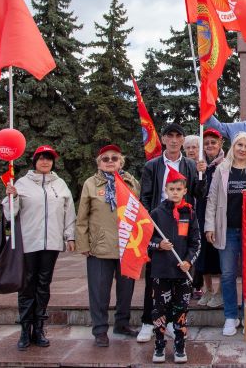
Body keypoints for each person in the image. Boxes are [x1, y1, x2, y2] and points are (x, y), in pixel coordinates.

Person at [4, 145, 76, 350]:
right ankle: (24, 330)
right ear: (35, 161)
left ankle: (39, 328)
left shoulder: (60, 184)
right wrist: (12, 197)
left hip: (51, 243)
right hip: (29, 242)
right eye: (41, 158)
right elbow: (10, 214)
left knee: (44, 285)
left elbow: (69, 212)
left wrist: (70, 236)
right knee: (27, 285)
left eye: (49, 159)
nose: (45, 162)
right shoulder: (22, 183)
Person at [138, 123, 202, 342]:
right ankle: (148, 321)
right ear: (163, 139)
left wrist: (202, 175)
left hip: (182, 221)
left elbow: (198, 193)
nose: (174, 140)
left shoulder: (190, 165)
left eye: (178, 136)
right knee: (154, 274)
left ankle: (174, 322)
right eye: (170, 136)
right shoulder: (152, 165)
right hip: (158, 221)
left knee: (178, 274)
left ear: (183, 140)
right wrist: (149, 221)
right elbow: (145, 196)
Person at [204, 133, 246, 337]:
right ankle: (231, 316)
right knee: (228, 275)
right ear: (233, 146)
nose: (242, 149)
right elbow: (212, 198)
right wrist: (209, 226)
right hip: (227, 229)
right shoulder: (221, 170)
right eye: (239, 145)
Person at [75, 144, 141, 347]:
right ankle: (100, 330)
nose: (110, 161)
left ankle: (122, 324)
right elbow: (82, 217)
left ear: (121, 162)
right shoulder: (91, 184)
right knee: (99, 292)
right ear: (99, 163)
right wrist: (83, 244)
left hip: (126, 246)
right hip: (100, 247)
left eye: (114, 158)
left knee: (126, 291)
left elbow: (139, 212)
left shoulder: (131, 182)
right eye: (105, 159)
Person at [148, 167, 201, 364]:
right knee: (159, 310)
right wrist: (158, 244)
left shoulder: (190, 213)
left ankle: (180, 345)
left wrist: (188, 261)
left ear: (185, 191)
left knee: (181, 311)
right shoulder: (156, 213)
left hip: (182, 273)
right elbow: (145, 240)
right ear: (166, 190)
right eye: (172, 189)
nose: (175, 192)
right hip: (161, 271)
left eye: (179, 189)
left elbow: (196, 242)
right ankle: (159, 345)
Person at [193, 128, 224, 309]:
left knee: (219, 254)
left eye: (213, 142)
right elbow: (196, 192)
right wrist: (201, 174)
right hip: (202, 213)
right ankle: (208, 289)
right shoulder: (199, 165)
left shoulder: (226, 163)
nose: (210, 145)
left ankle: (220, 292)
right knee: (203, 253)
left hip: (220, 214)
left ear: (220, 144)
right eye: (206, 143)